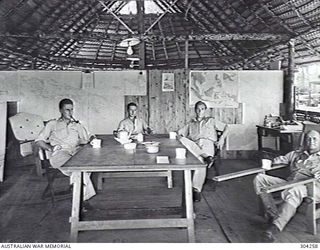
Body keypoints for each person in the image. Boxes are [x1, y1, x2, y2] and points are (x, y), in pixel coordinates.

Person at [253, 130, 320, 242]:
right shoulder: (296, 154)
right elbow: (278, 161)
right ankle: (273, 213)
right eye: (308, 138)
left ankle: (274, 228)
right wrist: (267, 160)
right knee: (259, 179)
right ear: (304, 141)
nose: (311, 141)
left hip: (313, 188)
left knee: (295, 191)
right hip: (290, 183)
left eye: (314, 139)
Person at [36, 98, 96, 203]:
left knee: (87, 166)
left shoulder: (77, 125)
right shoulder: (52, 124)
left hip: (76, 151)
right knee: (77, 169)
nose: (70, 112)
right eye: (67, 110)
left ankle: (78, 194)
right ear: (60, 110)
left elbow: (86, 139)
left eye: (72, 109)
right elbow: (38, 141)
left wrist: (86, 132)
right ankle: (82, 200)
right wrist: (50, 148)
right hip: (60, 152)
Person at [177, 101, 229, 202]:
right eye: (198, 109)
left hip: (208, 144)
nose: (200, 111)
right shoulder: (191, 123)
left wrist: (222, 138)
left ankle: (196, 189)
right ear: (195, 110)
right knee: (181, 139)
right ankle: (207, 157)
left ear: (205, 110)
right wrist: (177, 135)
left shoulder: (211, 120)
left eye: (202, 109)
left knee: (200, 161)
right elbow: (179, 133)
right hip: (195, 144)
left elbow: (227, 127)